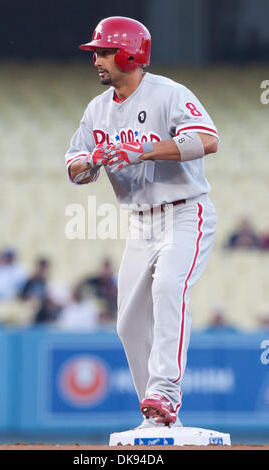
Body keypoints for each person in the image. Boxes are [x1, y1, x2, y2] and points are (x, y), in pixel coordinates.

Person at [65, 17, 218, 429]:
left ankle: (165, 393)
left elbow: (207, 139)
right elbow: (74, 164)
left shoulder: (168, 93)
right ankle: (157, 418)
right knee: (128, 324)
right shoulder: (97, 109)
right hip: (140, 223)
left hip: (185, 211)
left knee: (169, 286)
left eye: (103, 51)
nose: (96, 59)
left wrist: (148, 150)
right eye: (95, 52)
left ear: (130, 53)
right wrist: (91, 163)